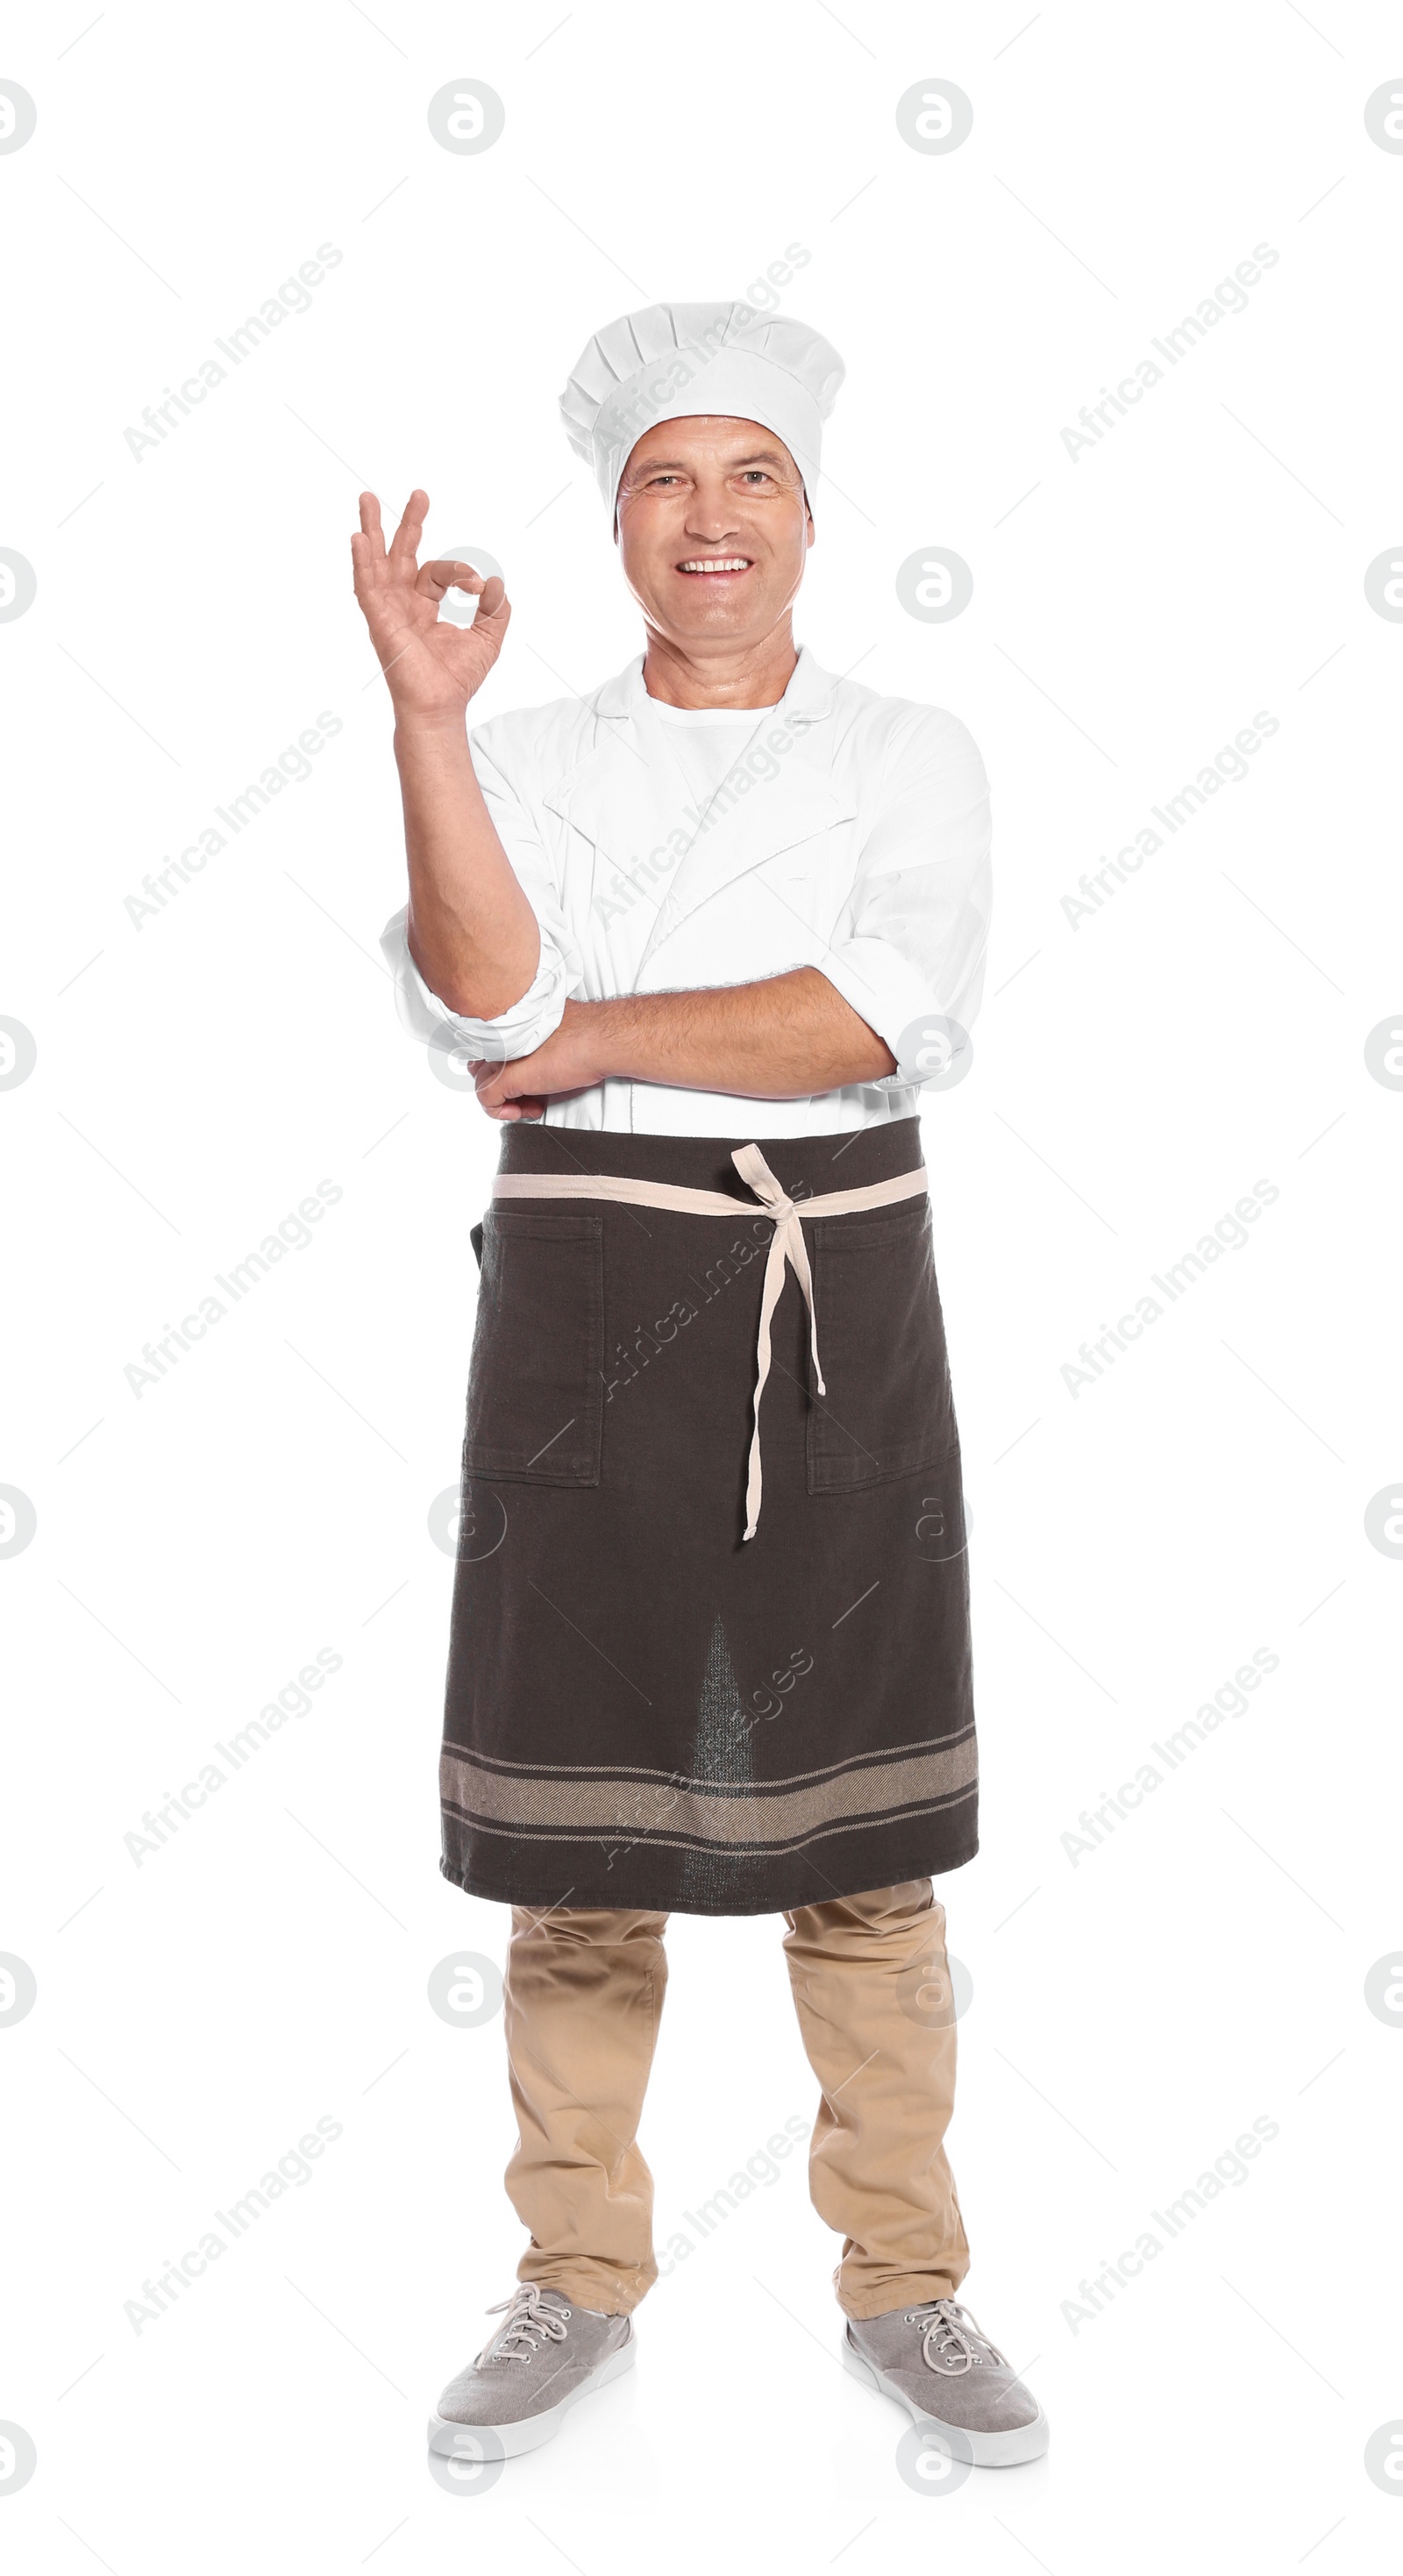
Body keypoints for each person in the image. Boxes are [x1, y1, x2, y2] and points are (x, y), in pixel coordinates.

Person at [352, 300, 1048, 2470]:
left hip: (829, 1301)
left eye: (751, 475)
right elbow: (487, 1001)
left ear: (810, 517)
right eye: (668, 477)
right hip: (578, 1305)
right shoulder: (526, 751)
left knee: (864, 1840)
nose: (710, 516)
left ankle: (908, 2280)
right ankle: (571, 2277)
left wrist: (581, 1031)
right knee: (581, 1843)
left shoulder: (904, 745)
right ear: (617, 519)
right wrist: (427, 725)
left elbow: (876, 1012)